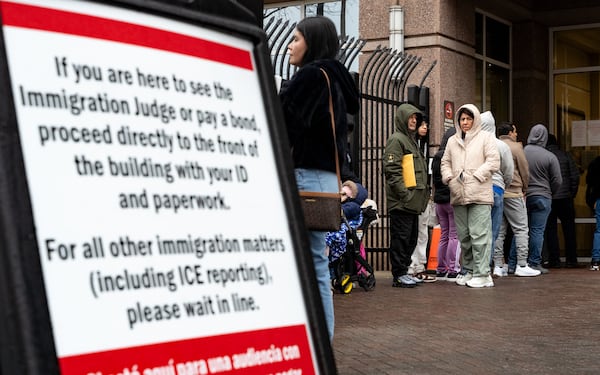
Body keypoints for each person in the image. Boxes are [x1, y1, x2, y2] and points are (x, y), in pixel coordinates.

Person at [279, 16, 359, 340]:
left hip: (304, 179)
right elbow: (338, 140)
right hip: (325, 181)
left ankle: (309, 340)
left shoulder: (311, 77)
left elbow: (283, 125)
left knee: (301, 262)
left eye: (296, 39)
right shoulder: (336, 81)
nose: (289, 45)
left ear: (311, 43)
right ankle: (319, 339)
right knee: (316, 264)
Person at [441, 104, 499, 288]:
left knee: (479, 235)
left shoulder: (486, 138)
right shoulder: (452, 140)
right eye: (462, 119)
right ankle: (470, 271)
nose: (465, 122)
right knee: (464, 236)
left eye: (468, 118)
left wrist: (476, 176)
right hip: (458, 194)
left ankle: (483, 274)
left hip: (479, 194)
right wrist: (449, 178)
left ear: (475, 119)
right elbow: (445, 162)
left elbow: (493, 161)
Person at [383, 103, 430, 288]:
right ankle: (399, 274)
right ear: (402, 118)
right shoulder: (397, 140)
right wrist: (405, 195)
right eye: (410, 117)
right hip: (403, 203)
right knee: (401, 239)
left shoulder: (410, 140)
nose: (413, 120)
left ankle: (404, 271)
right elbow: (392, 171)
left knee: (410, 239)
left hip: (412, 204)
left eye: (415, 118)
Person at [494, 122, 541, 277]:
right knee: (521, 229)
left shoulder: (494, 145)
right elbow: (524, 170)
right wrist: (524, 189)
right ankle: (522, 264)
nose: (516, 134)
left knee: (499, 231)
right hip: (514, 192)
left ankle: (498, 265)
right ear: (510, 132)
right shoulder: (515, 147)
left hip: (499, 192)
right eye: (515, 132)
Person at [516, 124, 562, 274]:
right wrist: (550, 193)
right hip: (543, 197)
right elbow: (557, 180)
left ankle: (515, 263)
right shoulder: (550, 156)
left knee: (521, 230)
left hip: (524, 196)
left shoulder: (522, 152)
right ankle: (534, 263)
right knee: (537, 231)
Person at [480, 111, 514, 273]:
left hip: (479, 190)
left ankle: (476, 267)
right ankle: (487, 266)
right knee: (493, 231)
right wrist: (503, 185)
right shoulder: (501, 145)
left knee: (478, 231)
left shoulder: (475, 143)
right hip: (497, 189)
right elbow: (509, 171)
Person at [543, 134, 580, 268]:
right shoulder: (566, 155)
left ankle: (554, 260)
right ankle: (572, 260)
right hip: (566, 198)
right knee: (569, 229)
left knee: (551, 229)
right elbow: (575, 176)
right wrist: (572, 193)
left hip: (550, 197)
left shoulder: (545, 156)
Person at [408, 118, 437, 282]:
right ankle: (412, 266)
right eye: (422, 124)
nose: (425, 127)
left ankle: (420, 265)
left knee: (423, 230)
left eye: (427, 124)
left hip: (425, 194)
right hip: (414, 194)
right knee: (415, 231)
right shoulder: (411, 145)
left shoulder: (425, 146)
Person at [432, 127, 461, 281]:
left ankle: (441, 268)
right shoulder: (452, 155)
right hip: (451, 200)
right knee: (454, 236)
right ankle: (453, 268)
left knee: (444, 235)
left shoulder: (436, 156)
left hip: (439, 202)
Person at [586, 156, 600, 270]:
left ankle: (596, 261)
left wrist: (592, 200)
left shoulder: (595, 163)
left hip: (599, 198)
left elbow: (589, 182)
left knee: (599, 231)